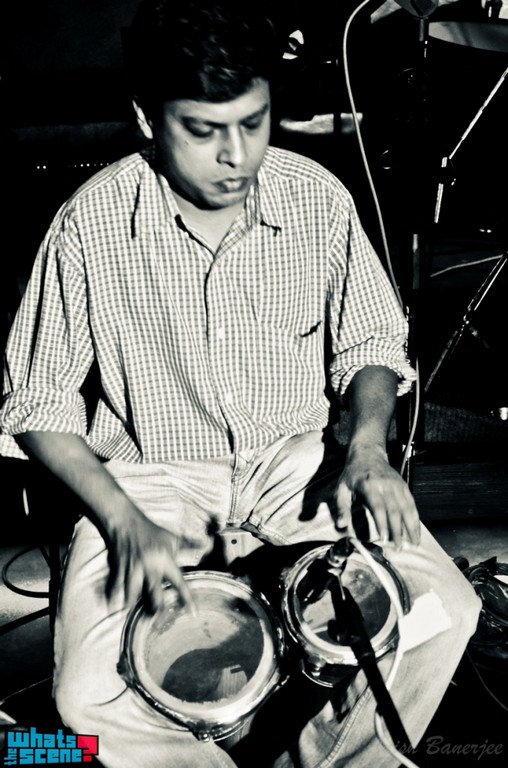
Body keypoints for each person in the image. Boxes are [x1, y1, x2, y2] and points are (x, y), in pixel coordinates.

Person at [0, 1, 480, 766]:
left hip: (294, 463)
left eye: (253, 123)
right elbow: (36, 401)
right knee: (87, 696)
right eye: (203, 131)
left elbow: (371, 342)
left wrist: (366, 449)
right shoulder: (89, 223)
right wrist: (121, 519)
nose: (236, 157)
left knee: (443, 610)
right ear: (147, 120)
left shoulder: (316, 197)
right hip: (152, 475)